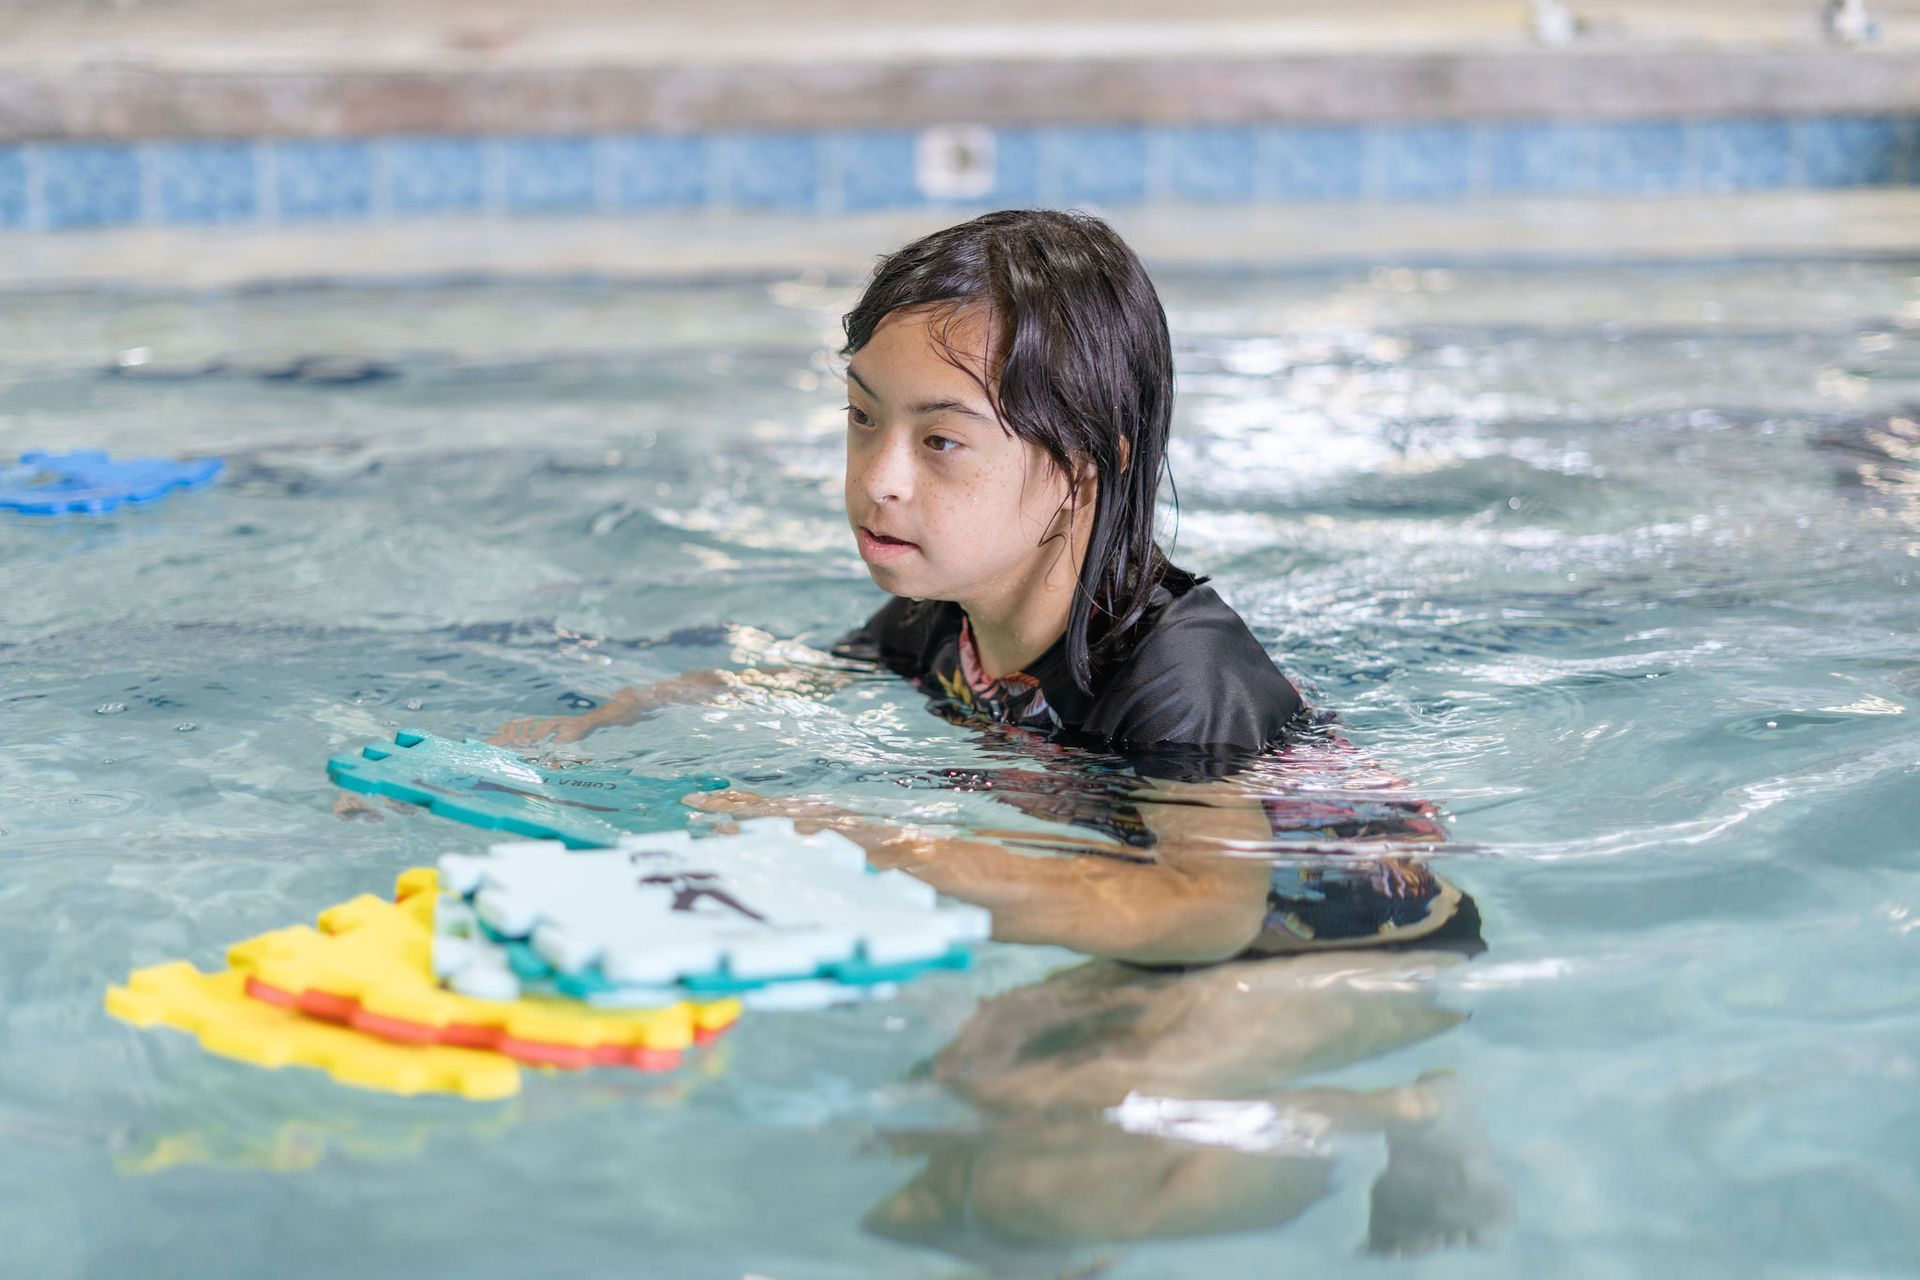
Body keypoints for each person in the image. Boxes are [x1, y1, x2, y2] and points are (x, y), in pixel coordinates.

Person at [486, 209, 1474, 966]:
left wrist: (878, 848)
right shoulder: (940, 619)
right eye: (862, 418)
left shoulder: (1180, 672)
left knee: (1039, 1133)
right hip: (1187, 920)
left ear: (1086, 466)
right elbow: (786, 683)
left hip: (1360, 940)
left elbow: (1202, 908)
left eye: (942, 440)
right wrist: (589, 732)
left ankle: (1410, 1103)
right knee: (975, 1088)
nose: (881, 477)